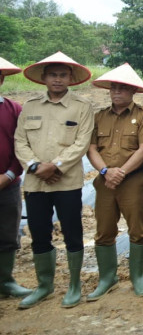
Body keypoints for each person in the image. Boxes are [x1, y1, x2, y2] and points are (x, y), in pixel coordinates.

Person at [14, 52, 94, 309]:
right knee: (39, 232)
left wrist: (55, 165)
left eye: (62, 75)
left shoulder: (81, 107)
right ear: (44, 78)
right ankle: (44, 285)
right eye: (53, 75)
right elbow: (20, 141)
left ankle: (74, 284)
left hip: (66, 181)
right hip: (36, 182)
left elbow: (82, 142)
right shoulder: (30, 106)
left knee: (73, 231)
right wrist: (36, 166)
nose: (57, 80)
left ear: (70, 78)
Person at [86, 64, 143, 300]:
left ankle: (137, 276)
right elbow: (92, 148)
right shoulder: (99, 117)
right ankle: (108, 278)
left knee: (139, 229)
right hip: (105, 182)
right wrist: (106, 171)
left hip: (133, 181)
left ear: (132, 91)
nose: (117, 92)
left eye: (123, 88)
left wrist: (121, 172)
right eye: (114, 88)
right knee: (104, 229)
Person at [0, 56, 31, 301]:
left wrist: (10, 174)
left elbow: (20, 145)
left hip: (7, 183)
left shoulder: (14, 109)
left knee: (8, 234)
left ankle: (5, 281)